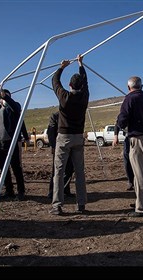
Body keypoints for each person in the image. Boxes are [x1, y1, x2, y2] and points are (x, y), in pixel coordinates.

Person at [49, 54, 89, 215]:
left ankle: (57, 205)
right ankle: (81, 204)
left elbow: (54, 82)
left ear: (69, 85)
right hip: (78, 137)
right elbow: (85, 81)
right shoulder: (84, 97)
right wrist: (80, 64)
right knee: (79, 172)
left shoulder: (64, 97)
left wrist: (61, 67)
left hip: (64, 137)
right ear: (80, 86)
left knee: (59, 171)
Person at [116, 76, 143, 217]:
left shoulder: (130, 99)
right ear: (142, 86)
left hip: (137, 138)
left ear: (128, 87)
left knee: (139, 174)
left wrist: (122, 126)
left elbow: (122, 119)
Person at [0, 88, 30, 201]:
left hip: (11, 142)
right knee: (4, 169)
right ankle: (9, 191)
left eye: (7, 97)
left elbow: (17, 109)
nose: (4, 100)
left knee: (16, 168)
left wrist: (6, 97)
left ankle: (21, 191)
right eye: (2, 98)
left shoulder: (14, 108)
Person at [46, 111, 75, 199]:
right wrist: (53, 146)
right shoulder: (55, 116)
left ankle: (65, 190)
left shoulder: (72, 114)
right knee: (57, 170)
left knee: (69, 169)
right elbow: (50, 131)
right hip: (59, 146)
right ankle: (52, 192)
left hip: (70, 145)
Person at [112, 123, 134, 191]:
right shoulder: (125, 113)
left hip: (139, 137)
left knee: (138, 160)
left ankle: (140, 182)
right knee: (127, 161)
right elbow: (118, 123)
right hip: (128, 139)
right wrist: (116, 136)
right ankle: (131, 181)